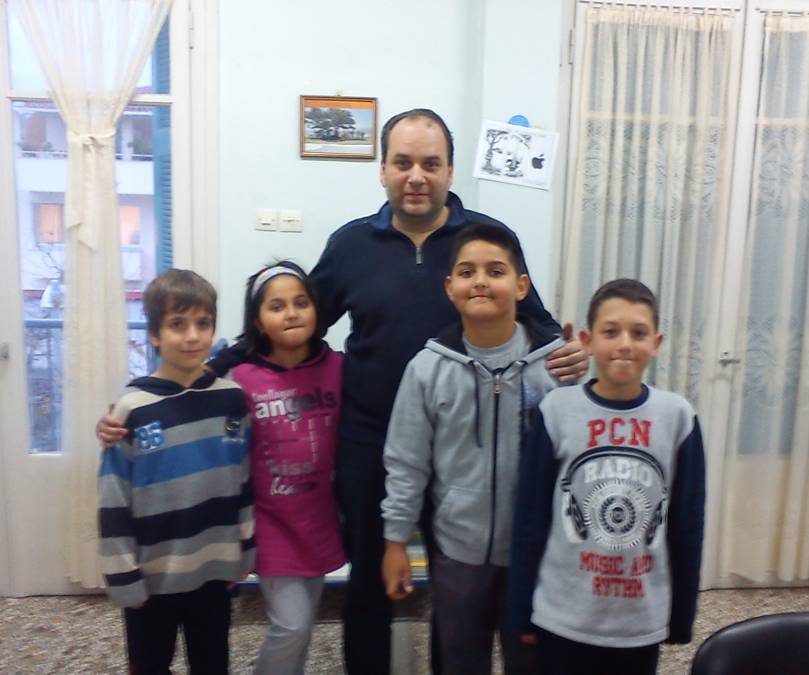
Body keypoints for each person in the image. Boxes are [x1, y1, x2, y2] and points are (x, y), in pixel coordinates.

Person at [98, 108, 588, 675]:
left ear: (450, 171)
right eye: (403, 163)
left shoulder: (483, 242)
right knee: (371, 583)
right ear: (383, 170)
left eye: (430, 164)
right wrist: (192, 379)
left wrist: (572, 355)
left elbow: (537, 324)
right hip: (369, 443)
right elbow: (292, 327)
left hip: (461, 450)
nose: (416, 176)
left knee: (454, 589)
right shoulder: (351, 244)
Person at [381, 223, 563, 675]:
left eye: (495, 271)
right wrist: (396, 541)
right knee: (460, 660)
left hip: (535, 554)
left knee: (532, 660)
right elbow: (406, 463)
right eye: (467, 272)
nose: (480, 281)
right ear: (450, 287)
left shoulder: (555, 367)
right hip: (457, 553)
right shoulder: (427, 369)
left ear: (521, 286)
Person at [507, 279, 706, 675]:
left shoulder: (678, 417)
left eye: (639, 333)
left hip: (639, 622)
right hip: (561, 616)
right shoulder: (557, 410)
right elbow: (530, 518)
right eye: (611, 332)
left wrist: (681, 614)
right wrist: (521, 610)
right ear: (588, 340)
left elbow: (687, 526)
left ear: (657, 343)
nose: (625, 344)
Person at [97, 269, 254, 675]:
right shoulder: (132, 408)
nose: (192, 336)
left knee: (212, 663)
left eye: (203, 323)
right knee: (151, 665)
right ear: (154, 334)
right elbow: (114, 498)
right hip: (153, 579)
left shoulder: (232, 399)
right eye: (177, 324)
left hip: (214, 570)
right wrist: (123, 575)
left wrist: (244, 550)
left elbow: (242, 480)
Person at [230, 261, 345, 674]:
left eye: (301, 303)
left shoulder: (338, 368)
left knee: (302, 624)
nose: (292, 313)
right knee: (292, 625)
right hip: (270, 524)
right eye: (276, 307)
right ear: (258, 321)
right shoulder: (240, 378)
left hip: (319, 521)